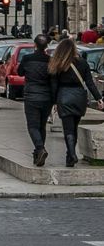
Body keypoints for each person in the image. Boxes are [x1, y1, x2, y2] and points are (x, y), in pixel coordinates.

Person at [49, 37, 103, 167]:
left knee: (67, 128)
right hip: (79, 97)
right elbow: (89, 83)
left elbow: (54, 85)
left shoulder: (58, 64)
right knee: (74, 127)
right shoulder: (83, 63)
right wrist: (98, 98)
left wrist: (54, 102)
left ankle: (71, 154)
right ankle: (70, 155)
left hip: (64, 96)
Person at [18, 34, 53, 166]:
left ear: (35, 45)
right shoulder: (50, 60)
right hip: (46, 96)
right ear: (46, 46)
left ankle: (40, 148)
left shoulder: (27, 58)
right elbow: (53, 79)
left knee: (32, 125)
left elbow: (20, 72)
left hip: (31, 95)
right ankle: (38, 153)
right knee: (41, 126)